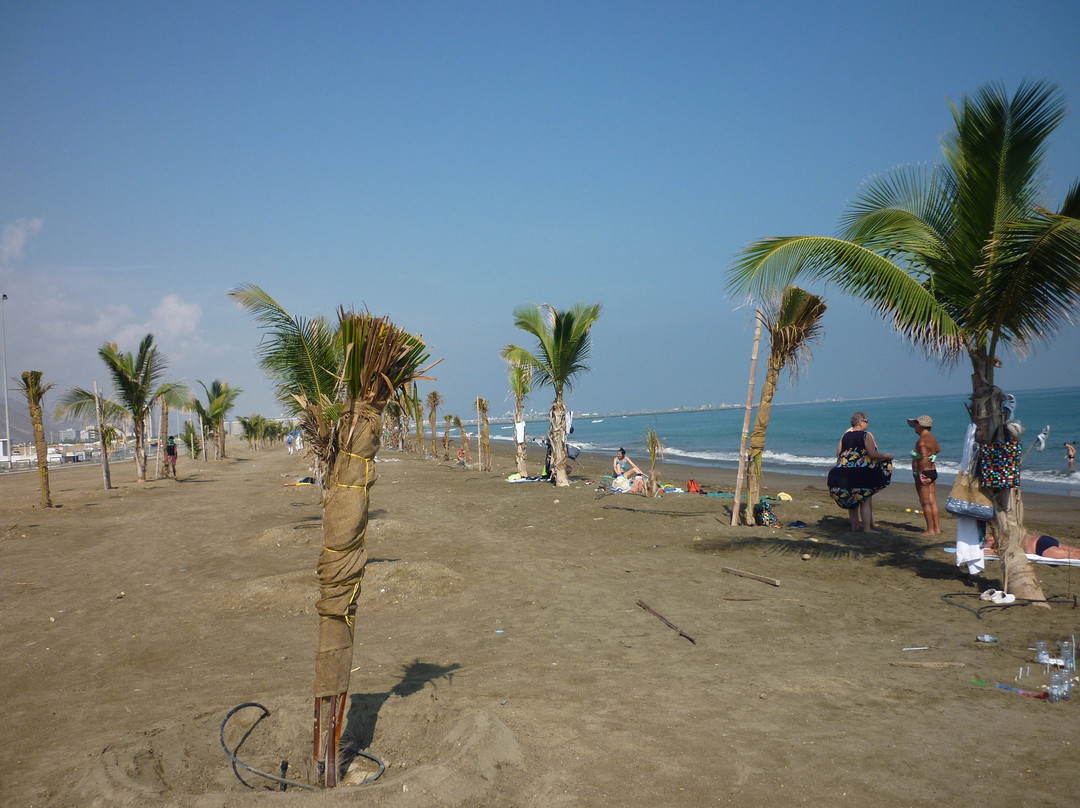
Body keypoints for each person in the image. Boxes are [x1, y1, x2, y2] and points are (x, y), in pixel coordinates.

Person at [827, 411, 893, 532]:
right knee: (865, 499)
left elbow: (838, 454)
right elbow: (872, 454)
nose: (867, 424)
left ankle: (855, 525)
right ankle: (867, 528)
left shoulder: (844, 436)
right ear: (861, 422)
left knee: (852, 499)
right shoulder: (865, 435)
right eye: (867, 421)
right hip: (860, 473)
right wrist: (886, 456)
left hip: (843, 473)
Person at [907, 415, 941, 535]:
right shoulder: (932, 438)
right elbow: (937, 450)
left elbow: (925, 457)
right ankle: (937, 528)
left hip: (924, 472)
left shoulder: (922, 440)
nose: (914, 428)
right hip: (932, 471)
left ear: (920, 426)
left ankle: (930, 530)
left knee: (925, 501)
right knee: (933, 501)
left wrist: (920, 472)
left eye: (915, 425)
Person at [984, 531, 1080, 561]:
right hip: (1043, 539)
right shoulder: (1007, 533)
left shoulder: (1003, 544)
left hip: (1039, 548)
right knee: (1076, 552)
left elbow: (990, 552)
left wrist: (984, 549)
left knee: (1076, 556)